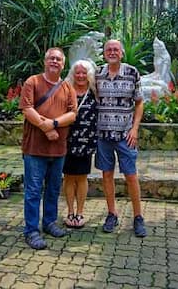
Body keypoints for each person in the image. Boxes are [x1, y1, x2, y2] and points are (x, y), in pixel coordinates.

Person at [19, 48, 77, 250]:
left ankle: (50, 222)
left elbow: (72, 115)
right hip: (35, 149)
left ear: (63, 64)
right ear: (45, 61)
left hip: (58, 149)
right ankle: (31, 231)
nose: (55, 61)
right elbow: (27, 109)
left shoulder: (67, 87)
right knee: (33, 191)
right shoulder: (32, 82)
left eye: (58, 59)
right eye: (51, 58)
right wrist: (46, 129)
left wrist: (52, 124)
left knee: (53, 189)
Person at [95, 39, 147, 237]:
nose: (112, 52)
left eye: (116, 49)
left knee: (131, 176)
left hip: (126, 135)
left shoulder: (132, 72)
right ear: (104, 53)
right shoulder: (98, 74)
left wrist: (135, 129)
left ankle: (138, 217)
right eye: (108, 49)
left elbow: (140, 102)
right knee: (106, 175)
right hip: (103, 135)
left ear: (122, 53)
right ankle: (112, 214)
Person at [62, 59, 98, 228]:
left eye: (84, 72)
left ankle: (80, 213)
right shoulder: (66, 90)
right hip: (67, 141)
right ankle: (70, 212)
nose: (81, 76)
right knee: (69, 177)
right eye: (78, 72)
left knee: (82, 177)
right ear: (73, 74)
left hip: (87, 142)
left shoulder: (95, 92)